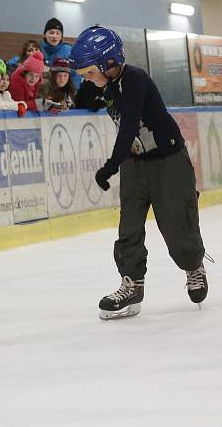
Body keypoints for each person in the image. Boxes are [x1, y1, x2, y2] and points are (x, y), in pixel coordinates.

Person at [69, 25, 208, 320]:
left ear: (109, 63)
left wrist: (109, 166)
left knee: (176, 227)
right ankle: (132, 285)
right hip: (135, 163)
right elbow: (85, 100)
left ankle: (193, 265)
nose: (89, 81)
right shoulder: (104, 85)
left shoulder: (135, 79)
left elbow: (129, 125)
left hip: (168, 161)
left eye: (90, 73)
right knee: (129, 226)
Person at [41, 17, 80, 88]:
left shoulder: (69, 50)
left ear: (61, 36)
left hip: (64, 91)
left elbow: (76, 73)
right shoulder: (38, 50)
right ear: (44, 35)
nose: (54, 36)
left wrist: (74, 91)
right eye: (51, 33)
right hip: (44, 90)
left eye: (57, 33)